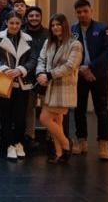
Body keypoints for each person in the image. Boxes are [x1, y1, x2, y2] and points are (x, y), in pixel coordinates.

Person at [0, 13, 37, 161]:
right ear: (6, 22)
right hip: (4, 81)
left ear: (21, 23)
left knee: (20, 117)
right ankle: (9, 145)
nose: (14, 26)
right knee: (5, 116)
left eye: (17, 23)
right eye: (11, 23)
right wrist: (2, 68)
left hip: (22, 83)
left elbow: (33, 59)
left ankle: (19, 143)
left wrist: (21, 69)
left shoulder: (28, 38)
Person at [36, 13, 82, 164]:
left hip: (63, 88)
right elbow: (41, 59)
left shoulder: (75, 44)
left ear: (65, 26)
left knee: (44, 118)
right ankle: (59, 153)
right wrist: (40, 74)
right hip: (48, 87)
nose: (55, 27)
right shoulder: (49, 42)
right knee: (57, 120)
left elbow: (70, 66)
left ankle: (66, 143)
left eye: (58, 24)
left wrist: (49, 75)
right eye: (53, 25)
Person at [71, 0, 108, 160]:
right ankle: (81, 141)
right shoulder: (73, 30)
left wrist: (90, 67)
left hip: (98, 75)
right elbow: (70, 52)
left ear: (91, 11)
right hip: (79, 76)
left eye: (85, 11)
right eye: (79, 12)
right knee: (79, 109)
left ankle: (103, 144)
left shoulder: (103, 28)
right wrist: (81, 69)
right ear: (76, 13)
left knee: (101, 110)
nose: (82, 14)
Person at [23, 6, 49, 143]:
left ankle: (51, 137)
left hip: (46, 76)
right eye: (31, 16)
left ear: (41, 17)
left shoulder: (49, 33)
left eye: (37, 15)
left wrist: (46, 73)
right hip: (28, 75)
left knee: (48, 108)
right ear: (27, 18)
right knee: (29, 108)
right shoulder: (22, 33)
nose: (34, 18)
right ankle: (30, 136)